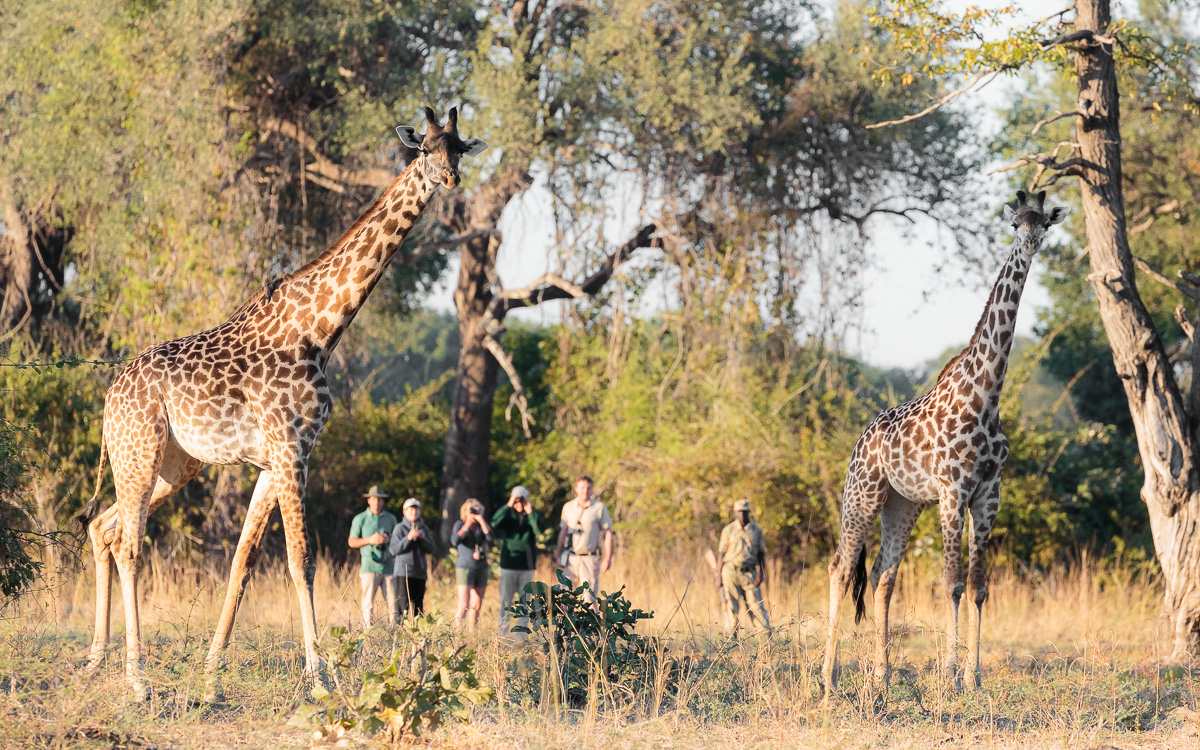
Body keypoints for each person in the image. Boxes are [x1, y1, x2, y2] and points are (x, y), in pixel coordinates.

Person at [491, 485, 546, 636]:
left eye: (522, 500)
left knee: (524, 602)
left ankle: (521, 636)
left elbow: (539, 531)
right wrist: (508, 505)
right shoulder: (508, 515)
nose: (519, 503)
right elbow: (495, 523)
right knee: (506, 601)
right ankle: (502, 634)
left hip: (527, 566)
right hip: (509, 565)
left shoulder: (532, 515)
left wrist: (530, 512)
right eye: (517, 500)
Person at [716, 498, 771, 634]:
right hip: (731, 572)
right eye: (739, 512)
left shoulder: (756, 530)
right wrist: (718, 576)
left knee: (756, 605)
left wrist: (761, 572)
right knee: (731, 607)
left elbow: (761, 553)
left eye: (745, 512)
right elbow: (721, 554)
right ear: (735, 513)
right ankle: (731, 640)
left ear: (748, 512)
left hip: (750, 572)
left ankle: (765, 637)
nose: (742, 515)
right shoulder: (728, 530)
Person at [555, 475, 612, 604]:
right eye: (582, 487)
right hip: (570, 558)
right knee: (566, 597)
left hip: (590, 558)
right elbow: (563, 532)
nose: (585, 491)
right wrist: (559, 555)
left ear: (592, 489)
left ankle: (593, 624)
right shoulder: (568, 507)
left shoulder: (599, 507)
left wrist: (607, 558)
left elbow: (608, 533)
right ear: (576, 489)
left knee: (589, 599)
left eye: (588, 488)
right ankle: (568, 624)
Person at [348, 485, 398, 628]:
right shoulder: (360, 519)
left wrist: (388, 539)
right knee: (368, 603)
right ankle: (368, 634)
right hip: (369, 567)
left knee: (392, 602)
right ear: (369, 500)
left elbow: (397, 539)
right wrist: (370, 540)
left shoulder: (391, 518)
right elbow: (352, 541)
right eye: (374, 499)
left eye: (380, 500)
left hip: (389, 566)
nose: (377, 502)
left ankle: (393, 632)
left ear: (383, 501)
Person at [450, 498, 492, 628]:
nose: (475, 514)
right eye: (473, 511)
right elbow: (454, 541)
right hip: (465, 567)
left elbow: (490, 537)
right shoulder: (459, 524)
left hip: (481, 567)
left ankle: (472, 634)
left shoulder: (481, 526)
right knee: (464, 604)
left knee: (477, 605)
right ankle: (457, 635)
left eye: (478, 511)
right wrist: (467, 525)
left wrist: (481, 520)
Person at [389, 497, 434, 619]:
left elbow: (431, 549)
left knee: (418, 609)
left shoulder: (423, 528)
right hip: (403, 573)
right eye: (411, 509)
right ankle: (399, 635)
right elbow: (393, 550)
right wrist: (408, 538)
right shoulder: (399, 528)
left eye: (416, 509)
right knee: (402, 608)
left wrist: (423, 538)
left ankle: (418, 636)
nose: (414, 512)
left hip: (420, 573)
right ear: (404, 512)